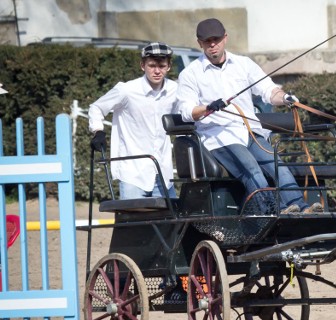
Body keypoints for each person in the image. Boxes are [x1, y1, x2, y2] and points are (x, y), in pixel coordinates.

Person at [176, 18, 323, 215]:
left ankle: (302, 208)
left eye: (216, 40)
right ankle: (273, 212)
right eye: (207, 41)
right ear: (199, 43)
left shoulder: (244, 64)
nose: (212, 45)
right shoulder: (190, 74)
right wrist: (208, 107)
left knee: (279, 166)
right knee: (252, 170)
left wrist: (286, 98)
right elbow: (186, 111)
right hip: (220, 137)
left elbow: (268, 91)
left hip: (250, 132)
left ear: (225, 38)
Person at [88, 42, 178, 199]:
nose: (157, 71)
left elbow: (186, 115)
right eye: (152, 65)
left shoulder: (174, 90)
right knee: (132, 222)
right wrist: (98, 130)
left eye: (162, 66)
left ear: (168, 66)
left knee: (171, 223)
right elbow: (96, 108)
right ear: (142, 65)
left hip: (163, 172)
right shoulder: (127, 90)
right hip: (133, 173)